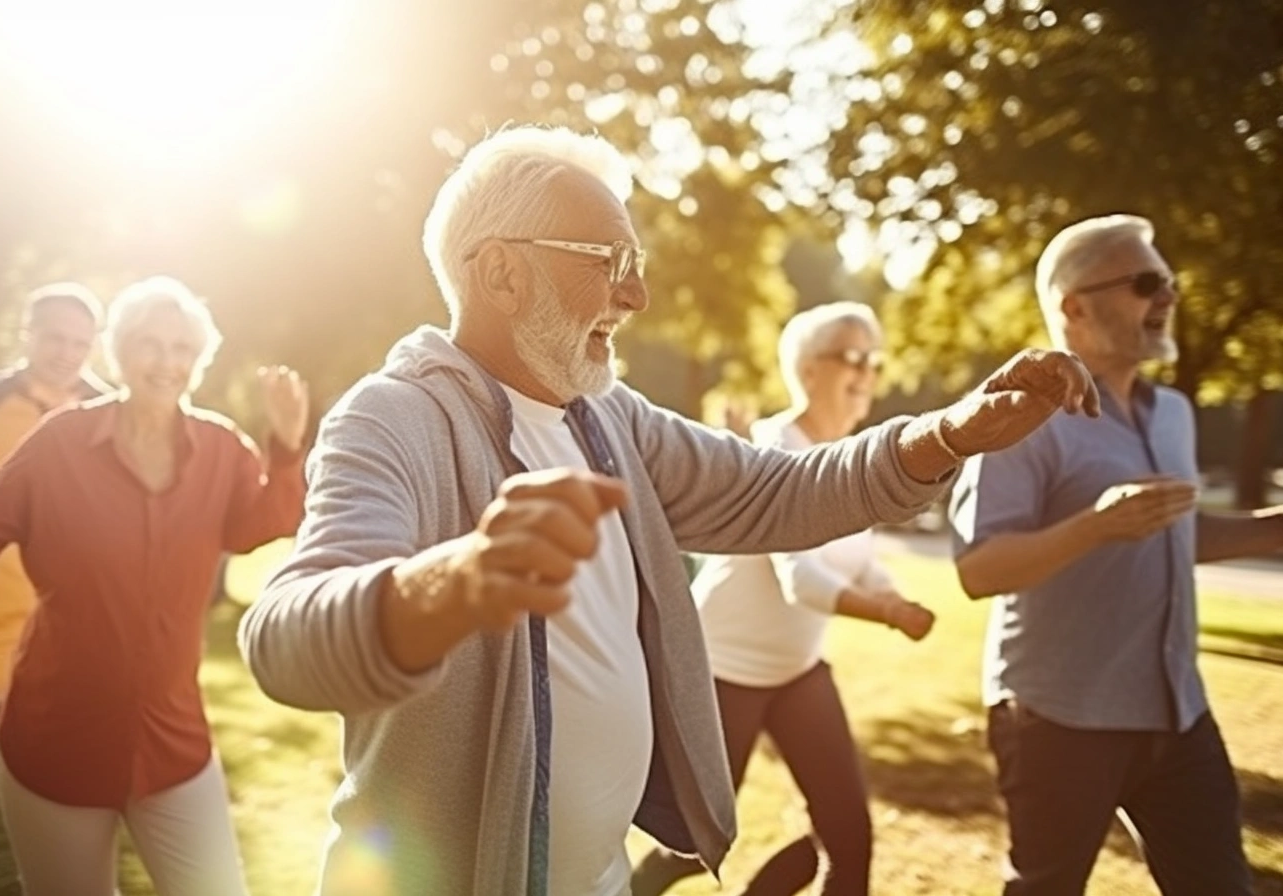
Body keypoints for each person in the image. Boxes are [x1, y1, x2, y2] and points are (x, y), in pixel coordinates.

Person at [237, 125, 1099, 896]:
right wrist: (456, 582)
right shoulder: (393, 417)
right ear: (501, 270)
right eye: (608, 262)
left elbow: (778, 491)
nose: (636, 296)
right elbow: (286, 640)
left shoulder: (608, 414)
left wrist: (950, 433)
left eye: (636, 266)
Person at [0, 275, 309, 896]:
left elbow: (260, 522)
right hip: (53, 739)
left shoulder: (221, 447)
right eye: (149, 344)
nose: (166, 362)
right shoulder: (57, 444)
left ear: (198, 360)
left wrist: (288, 445)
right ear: (119, 351)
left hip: (174, 740)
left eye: (182, 348)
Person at [949, 214, 1283, 895]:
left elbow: (1170, 533)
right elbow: (978, 568)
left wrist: (1276, 528)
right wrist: (1093, 527)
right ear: (1074, 307)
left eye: (1167, 282)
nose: (1168, 297)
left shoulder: (1174, 413)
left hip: (1178, 713)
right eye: (1146, 282)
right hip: (1059, 718)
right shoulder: (1019, 415)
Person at [632, 302, 937, 896]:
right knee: (691, 844)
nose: (866, 374)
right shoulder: (774, 445)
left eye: (874, 362)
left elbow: (859, 559)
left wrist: (893, 592)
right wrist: (891, 614)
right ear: (808, 369)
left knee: (848, 838)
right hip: (724, 669)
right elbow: (802, 576)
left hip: (796, 671)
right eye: (851, 357)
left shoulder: (855, 454)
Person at [0, 283, 109, 767]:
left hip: (82, 632)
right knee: (23, 769)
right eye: (55, 338)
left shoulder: (112, 414)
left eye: (81, 343)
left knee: (78, 782)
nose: (67, 354)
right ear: (26, 333)